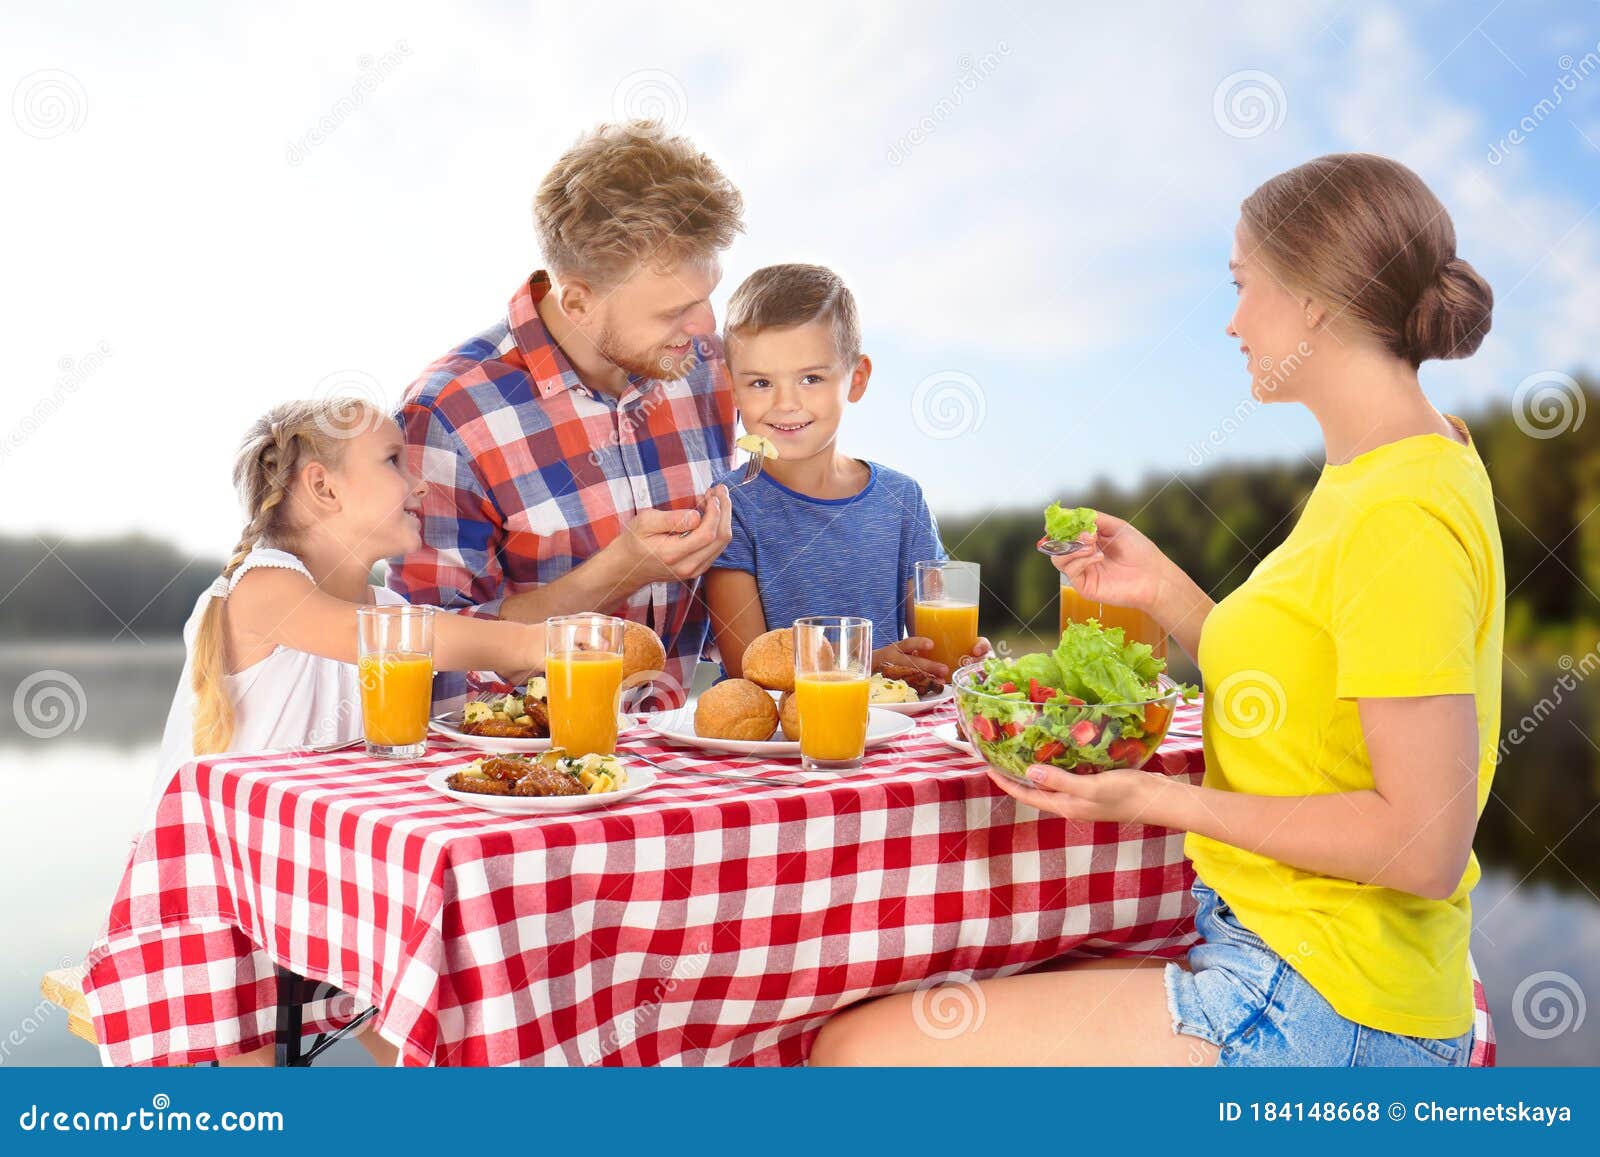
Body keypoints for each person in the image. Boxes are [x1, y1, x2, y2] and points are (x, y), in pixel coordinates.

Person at [811, 153, 1502, 1067]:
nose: (1231, 321)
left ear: (1316, 301)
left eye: (1243, 284)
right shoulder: (1392, 467)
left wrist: (1159, 800)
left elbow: (1423, 847)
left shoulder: (1398, 512)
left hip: (1330, 1006)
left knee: (858, 1054)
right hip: (1284, 956)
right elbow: (1312, 684)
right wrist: (1166, 590)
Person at [155, 398, 549, 1066]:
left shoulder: (390, 610)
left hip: (330, 893)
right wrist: (537, 643)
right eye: (394, 460)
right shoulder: (264, 588)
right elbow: (396, 640)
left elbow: (452, 695)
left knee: (451, 1020)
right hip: (223, 907)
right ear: (322, 486)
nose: (420, 482)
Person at [389, 120, 745, 708]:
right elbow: (426, 664)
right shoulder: (450, 413)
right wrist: (618, 573)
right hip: (524, 778)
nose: (707, 326)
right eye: (674, 310)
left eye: (709, 294)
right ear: (577, 299)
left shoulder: (708, 368)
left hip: (677, 766)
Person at [706, 263, 987, 679]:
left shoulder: (901, 498)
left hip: (892, 729)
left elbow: (932, 642)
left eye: (811, 378)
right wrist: (865, 667)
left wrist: (959, 658)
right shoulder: (730, 506)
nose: (785, 403)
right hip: (780, 738)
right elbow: (749, 666)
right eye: (761, 383)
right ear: (732, 387)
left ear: (856, 380)